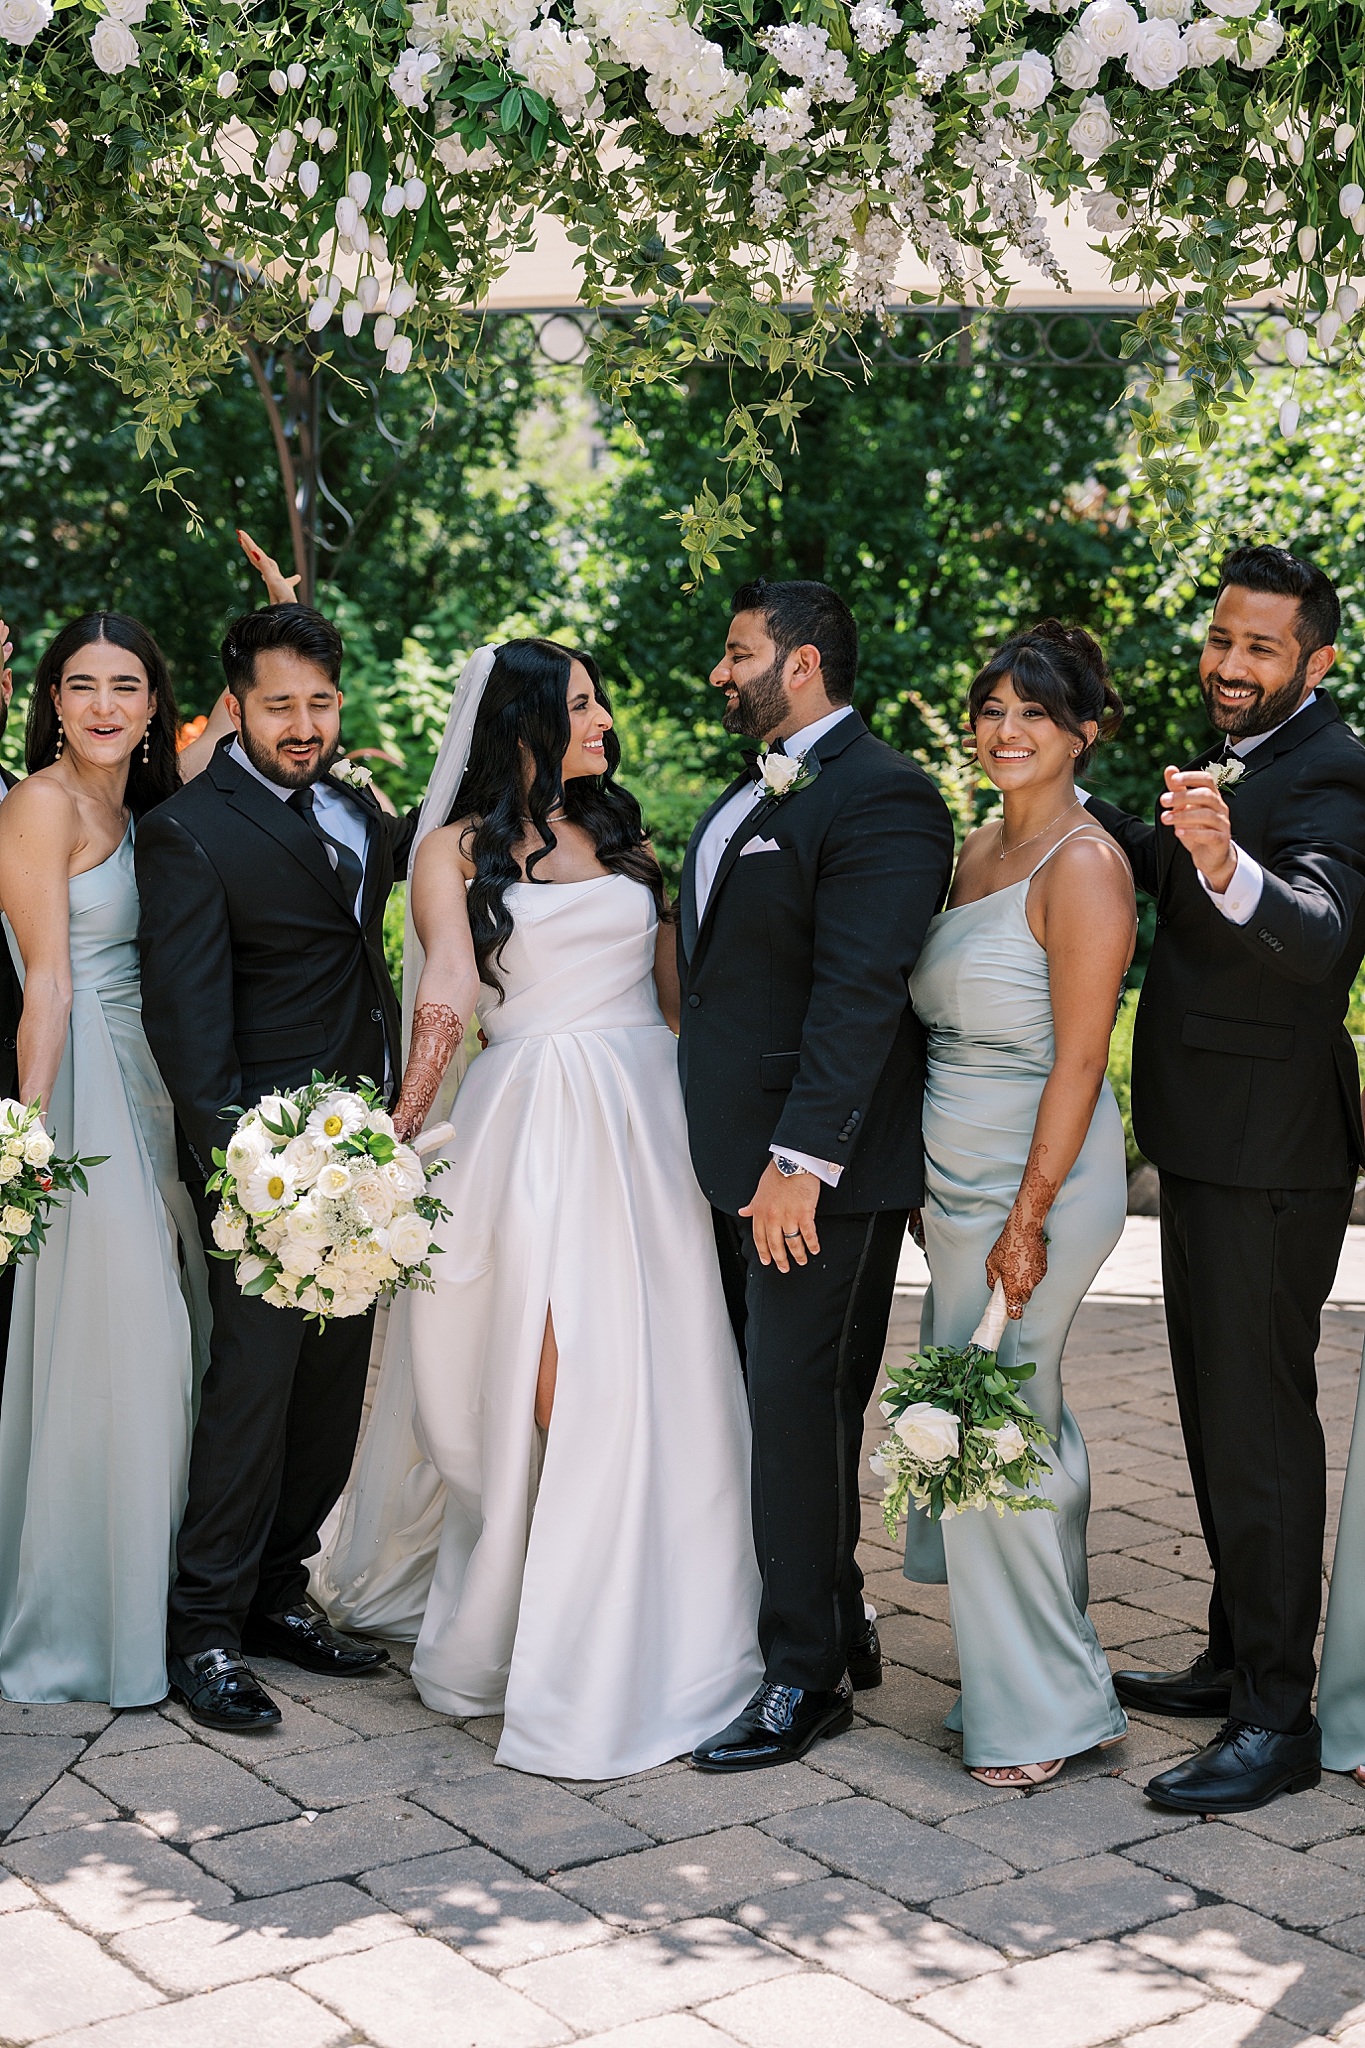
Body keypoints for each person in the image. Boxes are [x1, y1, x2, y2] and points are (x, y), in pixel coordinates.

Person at [315, 639, 763, 1779]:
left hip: (646, 1122)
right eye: (579, 702)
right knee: (552, 1377)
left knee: (655, 1373)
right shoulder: (452, 852)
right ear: (520, 721)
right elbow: (449, 996)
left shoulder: (623, 835)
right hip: (531, 1128)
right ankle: (557, 1625)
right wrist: (392, 1135)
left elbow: (677, 993)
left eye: (601, 695)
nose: (604, 716)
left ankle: (653, 1620)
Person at [1086, 544, 1365, 1815]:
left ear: (1317, 658)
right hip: (1207, 1144)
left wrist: (1219, 862)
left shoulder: (1340, 769)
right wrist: (1079, 804)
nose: (1230, 663)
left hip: (1273, 1160)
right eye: (1222, 638)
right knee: (1213, 1413)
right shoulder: (1238, 762)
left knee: (1258, 1431)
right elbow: (1171, 865)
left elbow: (1313, 938)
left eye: (1260, 646)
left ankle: (1277, 1715)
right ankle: (1231, 1650)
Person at [676, 578, 956, 1772]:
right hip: (739, 1164)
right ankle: (833, 1620)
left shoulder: (886, 795)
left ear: (799, 666)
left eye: (736, 653)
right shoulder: (755, 788)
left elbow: (858, 992)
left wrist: (800, 1160)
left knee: (796, 1410)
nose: (717, 674)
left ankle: (803, 1678)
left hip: (813, 1176)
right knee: (785, 1403)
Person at [136, 603, 418, 1732]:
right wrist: (246, 1184)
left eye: (320, 703)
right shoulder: (191, 830)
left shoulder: (357, 806)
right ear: (235, 707)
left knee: (328, 1392)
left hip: (360, 1158)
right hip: (263, 1170)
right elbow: (191, 1025)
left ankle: (275, 1591)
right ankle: (202, 1628)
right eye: (279, 705)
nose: (303, 725)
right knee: (249, 1396)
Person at [903, 621, 1134, 1784]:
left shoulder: (1085, 865)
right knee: (1021, 1421)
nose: (1004, 729)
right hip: (957, 1173)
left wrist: (1027, 1215)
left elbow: (1081, 1061)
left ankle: (1045, 1708)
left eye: (1032, 713)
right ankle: (1043, 1669)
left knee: (989, 1427)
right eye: (991, 707)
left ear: (1081, 732)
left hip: (1040, 1175)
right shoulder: (978, 849)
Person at [0, 611, 210, 1706]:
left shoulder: (141, 797)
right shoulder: (41, 802)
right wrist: (24, 1138)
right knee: (122, 1339)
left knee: (170, 1337)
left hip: (148, 1080)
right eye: (80, 685)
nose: (102, 705)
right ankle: (92, 1622)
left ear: (150, 703)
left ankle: (160, 1596)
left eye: (125, 686)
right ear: (52, 699)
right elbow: (48, 980)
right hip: (79, 1087)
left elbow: (249, 726)